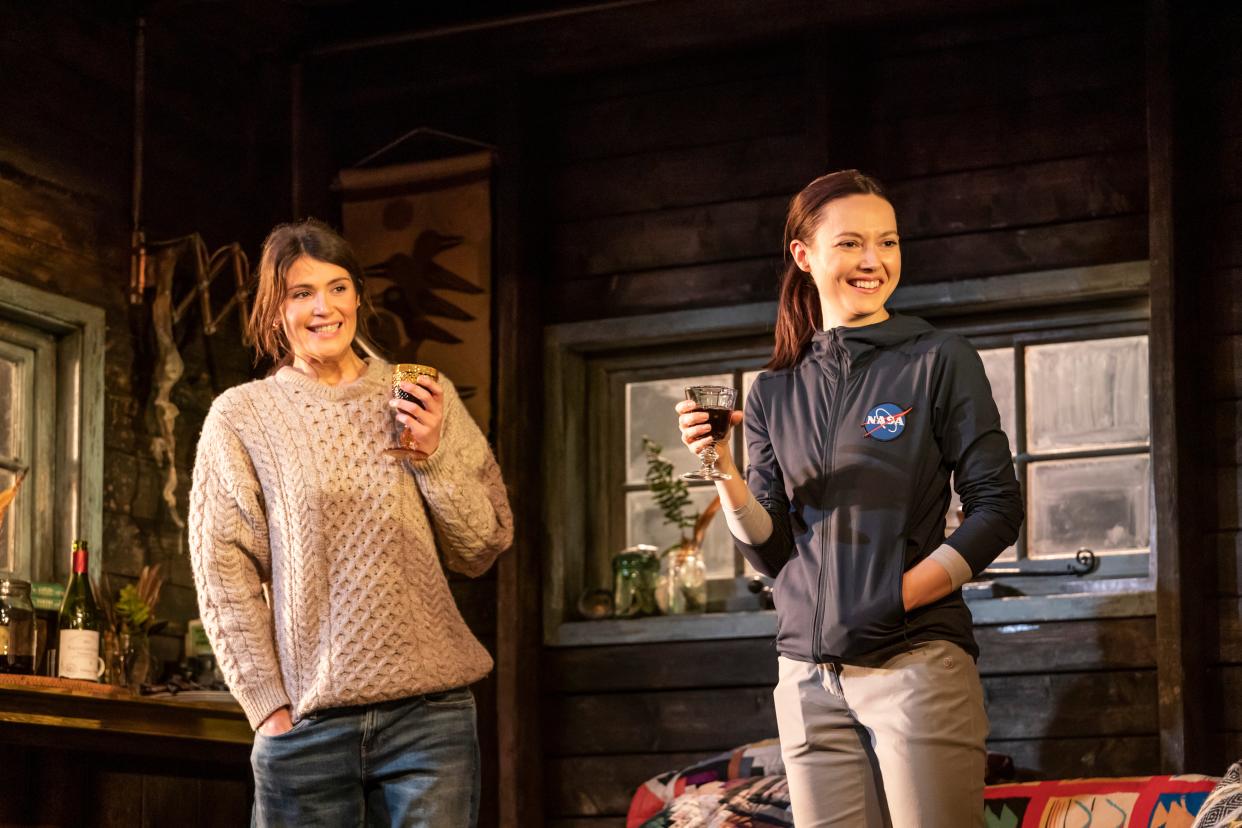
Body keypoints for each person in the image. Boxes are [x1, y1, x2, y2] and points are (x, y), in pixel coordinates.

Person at [676, 170, 1023, 827]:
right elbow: (770, 552)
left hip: (916, 663)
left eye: (888, 243)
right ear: (804, 257)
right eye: (852, 244)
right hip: (806, 680)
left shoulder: (938, 358)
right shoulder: (773, 391)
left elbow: (997, 509)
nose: (874, 261)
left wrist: (898, 598)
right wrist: (720, 468)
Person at [188, 218, 512, 827]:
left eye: (337, 288)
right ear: (274, 310)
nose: (323, 308)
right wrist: (267, 709)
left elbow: (481, 546)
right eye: (300, 293)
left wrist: (434, 454)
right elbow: (222, 572)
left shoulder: (421, 393)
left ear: (358, 296)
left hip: (430, 719)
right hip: (306, 726)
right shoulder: (242, 417)